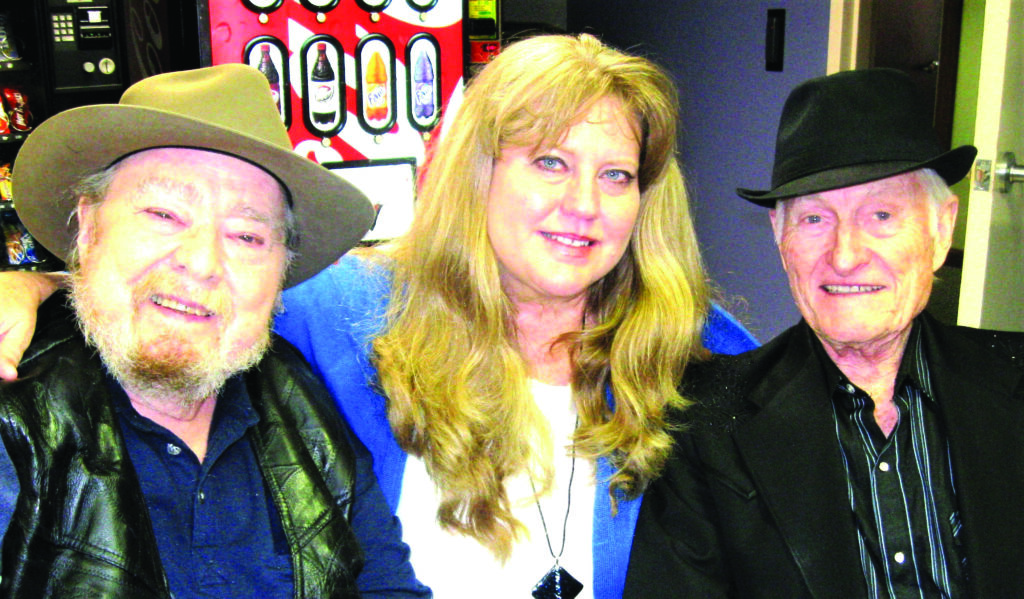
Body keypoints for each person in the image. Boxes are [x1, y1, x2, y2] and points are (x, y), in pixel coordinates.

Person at [0, 34, 758, 597]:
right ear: (477, 174)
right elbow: (196, 296)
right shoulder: (353, 311)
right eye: (549, 161)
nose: (584, 205)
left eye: (617, 174)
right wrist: (31, 290)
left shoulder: (697, 353)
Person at [0, 64, 428, 598]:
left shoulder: (302, 406)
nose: (202, 262)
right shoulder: (16, 419)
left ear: (280, 275)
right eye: (163, 214)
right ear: (88, 230)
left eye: (247, 236)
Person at [623, 68, 1024, 598]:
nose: (845, 256)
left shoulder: (1011, 381)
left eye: (881, 215)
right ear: (780, 237)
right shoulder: (704, 424)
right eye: (815, 220)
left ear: (941, 229)